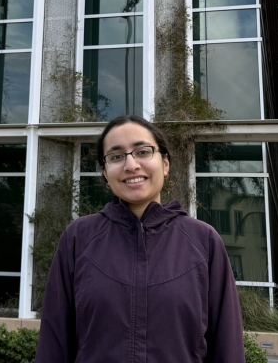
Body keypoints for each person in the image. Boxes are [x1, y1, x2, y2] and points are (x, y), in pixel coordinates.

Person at [35, 114, 245, 363]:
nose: (131, 165)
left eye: (143, 152)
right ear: (105, 172)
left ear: (165, 164)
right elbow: (54, 342)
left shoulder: (203, 241)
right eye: (116, 156)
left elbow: (227, 347)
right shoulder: (79, 238)